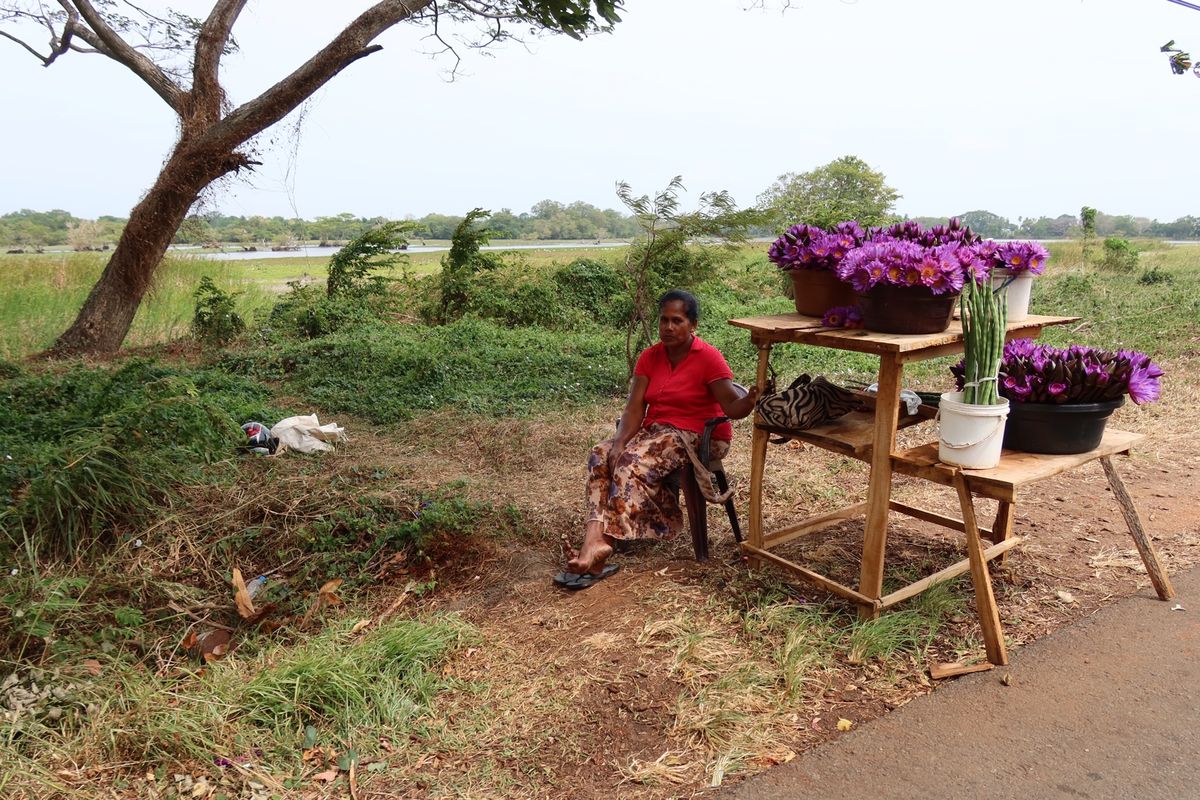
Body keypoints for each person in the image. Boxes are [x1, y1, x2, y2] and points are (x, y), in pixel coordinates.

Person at [562, 289, 759, 583]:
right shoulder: (650, 357)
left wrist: (751, 399)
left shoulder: (709, 357)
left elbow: (732, 406)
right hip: (657, 432)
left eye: (677, 320)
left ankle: (606, 543)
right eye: (664, 320)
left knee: (629, 461)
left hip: (699, 436)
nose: (668, 327)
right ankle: (593, 542)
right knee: (601, 454)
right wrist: (618, 443)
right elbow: (633, 409)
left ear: (693, 324)